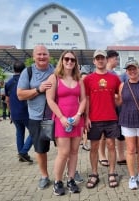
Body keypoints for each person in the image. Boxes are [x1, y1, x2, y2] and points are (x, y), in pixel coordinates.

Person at [46, 50, 86, 195]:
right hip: (61, 121)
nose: (69, 62)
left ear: (75, 63)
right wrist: (62, 118)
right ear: (62, 60)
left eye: (72, 60)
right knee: (63, 152)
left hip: (76, 120)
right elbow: (50, 100)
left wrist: (78, 115)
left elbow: (83, 100)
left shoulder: (78, 79)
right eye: (67, 59)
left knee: (75, 152)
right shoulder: (54, 78)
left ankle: (71, 179)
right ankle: (57, 181)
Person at [17, 45, 54, 190]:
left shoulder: (56, 70)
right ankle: (44, 176)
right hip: (37, 117)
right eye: (39, 54)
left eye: (44, 54)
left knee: (66, 147)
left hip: (55, 116)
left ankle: (71, 172)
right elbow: (20, 95)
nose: (42, 57)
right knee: (40, 149)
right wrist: (39, 89)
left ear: (49, 56)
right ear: (34, 57)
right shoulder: (28, 72)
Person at [84, 50, 121, 188]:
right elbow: (86, 99)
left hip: (111, 118)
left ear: (106, 60)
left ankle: (112, 172)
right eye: (97, 58)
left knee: (111, 146)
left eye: (102, 58)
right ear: (94, 61)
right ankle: (94, 173)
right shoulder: (88, 79)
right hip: (94, 119)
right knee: (94, 147)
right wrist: (86, 117)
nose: (100, 60)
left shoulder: (114, 78)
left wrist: (119, 102)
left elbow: (121, 95)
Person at [116, 60, 139, 190]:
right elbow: (120, 102)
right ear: (126, 71)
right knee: (131, 149)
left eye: (134, 68)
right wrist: (114, 99)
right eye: (129, 69)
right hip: (127, 119)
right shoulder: (122, 85)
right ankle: (132, 176)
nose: (132, 71)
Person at [5, 61, 33, 163]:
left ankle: (21, 154)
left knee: (19, 133)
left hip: (15, 113)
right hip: (26, 112)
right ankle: (23, 152)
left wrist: (10, 113)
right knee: (34, 132)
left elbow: (7, 100)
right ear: (25, 70)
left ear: (13, 70)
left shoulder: (8, 83)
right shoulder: (27, 81)